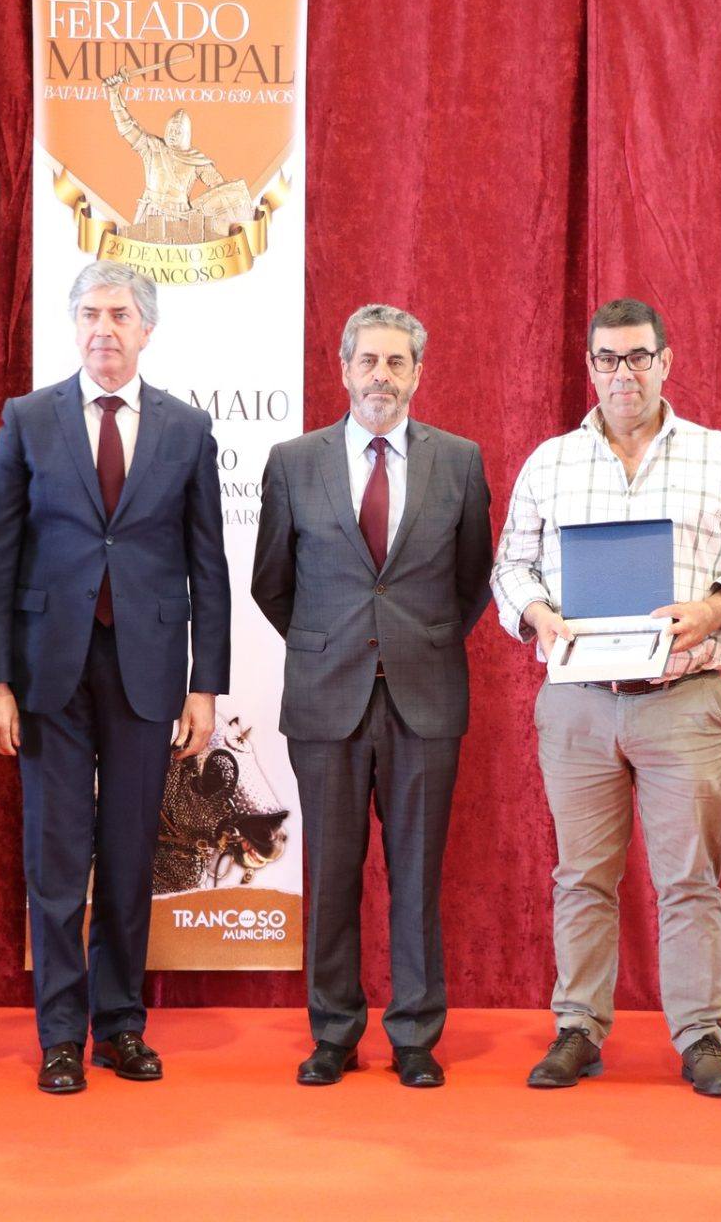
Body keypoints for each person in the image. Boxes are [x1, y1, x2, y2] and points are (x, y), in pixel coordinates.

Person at [492, 297, 721, 1098]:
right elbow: (510, 565)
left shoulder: (720, 458)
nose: (625, 373)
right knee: (581, 875)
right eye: (609, 359)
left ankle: (700, 1035)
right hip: (578, 703)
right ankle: (578, 1028)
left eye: (639, 357)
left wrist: (714, 610)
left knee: (689, 877)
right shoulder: (550, 463)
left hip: (683, 698)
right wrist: (536, 612)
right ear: (590, 368)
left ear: (666, 362)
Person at [0, 260, 229, 1093]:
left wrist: (205, 685)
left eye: (119, 314)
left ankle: (120, 1026)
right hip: (47, 670)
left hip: (146, 671)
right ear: (73, 325)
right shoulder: (28, 418)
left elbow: (208, 565)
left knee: (127, 857)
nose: (103, 329)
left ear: (146, 329)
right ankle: (58, 1036)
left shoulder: (186, 428)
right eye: (89, 313)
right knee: (55, 858)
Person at [251, 304, 493, 1088]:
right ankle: (334, 1032)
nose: (381, 376)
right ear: (344, 368)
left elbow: (473, 581)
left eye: (396, 362)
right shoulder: (294, 462)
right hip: (326, 699)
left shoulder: (460, 461)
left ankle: (415, 1035)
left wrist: (414, 640)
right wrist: (334, 643)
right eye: (369, 361)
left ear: (418, 372)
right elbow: (271, 584)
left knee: (418, 874)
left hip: (426, 694)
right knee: (332, 872)